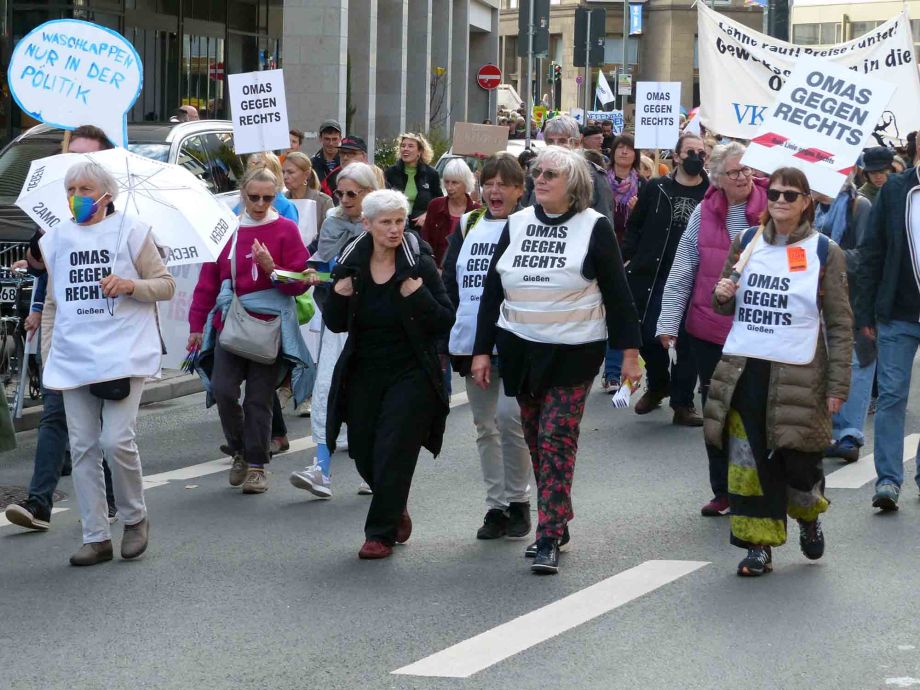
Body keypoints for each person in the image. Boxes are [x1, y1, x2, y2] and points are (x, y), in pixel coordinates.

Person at [472, 146, 642, 574]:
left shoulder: (594, 227)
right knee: (534, 438)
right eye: (538, 173)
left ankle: (546, 536)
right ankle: (558, 517)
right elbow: (493, 291)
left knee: (555, 440)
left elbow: (620, 298)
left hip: (574, 353)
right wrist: (480, 350)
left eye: (550, 174)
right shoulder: (517, 223)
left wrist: (630, 358)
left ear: (574, 186)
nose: (540, 180)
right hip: (521, 350)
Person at [705, 167, 852, 576]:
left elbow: (840, 323)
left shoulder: (825, 251)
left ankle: (807, 516)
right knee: (748, 463)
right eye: (775, 194)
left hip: (800, 377)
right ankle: (758, 546)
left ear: (807, 201)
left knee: (798, 464)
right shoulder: (747, 243)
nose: (781, 201)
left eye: (791, 195)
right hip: (745, 371)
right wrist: (721, 295)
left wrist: (838, 384)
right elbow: (725, 296)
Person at [39, 161, 175, 565]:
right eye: (71, 188)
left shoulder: (131, 231)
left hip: (122, 353)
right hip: (74, 355)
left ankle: (134, 518)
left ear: (106, 195)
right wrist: (50, 355)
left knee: (115, 440)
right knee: (81, 446)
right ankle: (95, 536)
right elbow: (52, 302)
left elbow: (165, 285)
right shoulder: (55, 240)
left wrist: (131, 285)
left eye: (85, 188)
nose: (77, 195)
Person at [323, 190, 454, 559]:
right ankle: (393, 505)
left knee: (394, 448)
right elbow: (334, 323)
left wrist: (417, 295)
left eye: (399, 221)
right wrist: (339, 294)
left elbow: (445, 318)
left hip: (412, 371)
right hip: (364, 370)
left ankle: (379, 534)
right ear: (367, 224)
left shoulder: (418, 262)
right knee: (364, 450)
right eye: (386, 222)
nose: (395, 229)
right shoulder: (351, 264)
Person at [4, 125, 120, 532]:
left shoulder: (125, 227)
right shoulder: (58, 219)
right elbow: (44, 272)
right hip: (67, 339)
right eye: (71, 162)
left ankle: (113, 501)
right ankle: (39, 504)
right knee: (55, 417)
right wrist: (39, 312)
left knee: (103, 434)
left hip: (108, 344)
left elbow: (153, 282)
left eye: (87, 164)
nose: (77, 188)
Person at [656, 142, 768, 517]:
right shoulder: (704, 211)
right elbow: (684, 268)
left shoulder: (772, 209)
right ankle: (722, 491)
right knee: (717, 412)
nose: (742, 178)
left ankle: (754, 486)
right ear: (716, 179)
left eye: (746, 171)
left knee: (753, 412)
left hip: (758, 333)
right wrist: (668, 323)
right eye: (734, 173)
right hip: (709, 331)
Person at [188, 168, 311, 495]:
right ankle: (240, 450)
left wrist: (273, 269)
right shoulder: (228, 230)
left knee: (259, 399)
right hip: (231, 324)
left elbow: (299, 284)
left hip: (269, 327)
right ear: (242, 194)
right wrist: (196, 326)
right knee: (223, 389)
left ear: (276, 197)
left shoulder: (286, 230)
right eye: (253, 197)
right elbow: (207, 283)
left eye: (267, 197)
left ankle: (257, 465)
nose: (259, 203)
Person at [441, 153, 532, 540]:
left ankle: (519, 501)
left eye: (504, 184)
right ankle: (495, 507)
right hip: (470, 339)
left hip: (515, 339)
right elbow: (449, 279)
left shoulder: (529, 225)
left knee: (512, 420)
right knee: (485, 426)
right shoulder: (469, 223)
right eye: (489, 183)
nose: (495, 190)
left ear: (518, 190)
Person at [289, 163, 382, 498]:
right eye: (339, 193)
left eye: (351, 193)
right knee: (326, 387)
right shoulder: (331, 222)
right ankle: (321, 468)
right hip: (336, 319)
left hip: (372, 325)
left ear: (370, 194)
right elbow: (316, 259)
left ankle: (373, 470)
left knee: (368, 394)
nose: (343, 199)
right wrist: (305, 272)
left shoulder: (383, 225)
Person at [623, 132, 709, 426]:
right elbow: (635, 226)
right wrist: (627, 257)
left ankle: (683, 403)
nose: (696, 158)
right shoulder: (655, 188)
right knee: (649, 335)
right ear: (676, 156)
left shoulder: (712, 193)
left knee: (689, 341)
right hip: (654, 275)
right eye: (690, 152)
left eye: (702, 153)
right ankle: (659, 383)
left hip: (694, 277)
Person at [854, 131, 920, 511]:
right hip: (897, 312)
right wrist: (865, 313)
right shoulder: (897, 190)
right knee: (893, 395)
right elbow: (872, 251)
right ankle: (889, 481)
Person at [813, 180, 872, 464]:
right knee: (825, 361)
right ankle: (830, 431)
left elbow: (866, 255)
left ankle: (850, 434)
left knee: (857, 362)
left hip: (855, 296)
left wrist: (825, 257)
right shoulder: (808, 207)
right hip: (816, 297)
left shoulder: (858, 206)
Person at [600, 133, 646, 395]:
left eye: (630, 149)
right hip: (604, 252)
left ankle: (615, 372)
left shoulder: (644, 185)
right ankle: (610, 370)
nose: (625, 153)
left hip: (628, 256)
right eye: (620, 148)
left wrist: (638, 209)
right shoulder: (601, 182)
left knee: (621, 312)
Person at [526, 115, 614, 223]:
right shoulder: (536, 172)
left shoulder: (593, 175)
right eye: (550, 141)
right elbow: (527, 213)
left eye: (562, 141)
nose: (556, 146)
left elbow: (604, 219)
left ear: (576, 143)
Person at [421, 158, 479, 267]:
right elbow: (425, 242)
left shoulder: (477, 211)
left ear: (466, 183)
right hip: (436, 271)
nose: (449, 187)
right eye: (447, 182)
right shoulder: (435, 205)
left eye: (455, 183)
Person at [384, 132, 443, 231]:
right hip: (395, 227)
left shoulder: (431, 174)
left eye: (410, 146)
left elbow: (440, 202)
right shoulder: (391, 173)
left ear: (419, 151)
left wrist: (428, 215)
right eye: (403, 146)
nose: (405, 149)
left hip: (421, 229)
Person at [282, 151, 334, 246]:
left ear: (306, 174)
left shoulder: (323, 202)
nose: (285, 177)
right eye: (283, 172)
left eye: (290, 172)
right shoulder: (280, 201)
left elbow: (330, 237)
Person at [311, 120, 342, 186]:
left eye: (334, 139)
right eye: (327, 139)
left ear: (340, 139)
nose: (331, 143)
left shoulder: (345, 162)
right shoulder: (312, 163)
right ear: (320, 138)